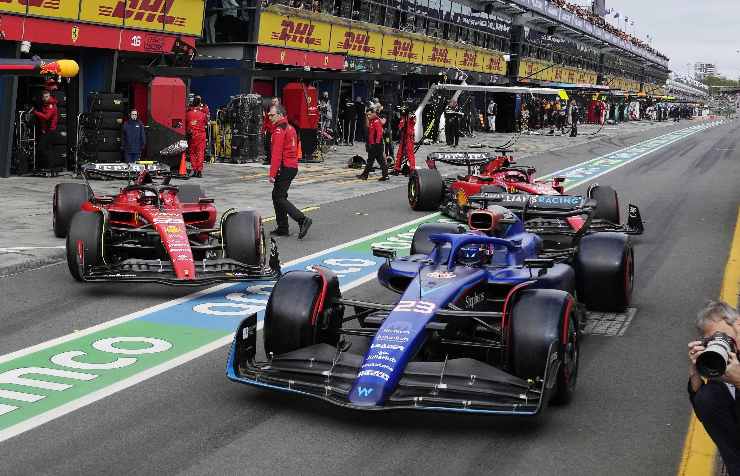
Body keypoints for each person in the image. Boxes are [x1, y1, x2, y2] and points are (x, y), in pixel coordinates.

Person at [688, 301, 740, 475]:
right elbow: (705, 409)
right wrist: (695, 371)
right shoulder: (721, 369)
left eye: (724, 335)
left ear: (738, 324)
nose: (721, 343)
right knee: (707, 397)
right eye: (713, 339)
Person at [268, 105, 312, 238]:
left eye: (272, 115)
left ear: (280, 115)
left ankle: (302, 219)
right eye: (269, 115)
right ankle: (283, 227)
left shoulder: (279, 130)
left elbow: (276, 154)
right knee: (278, 196)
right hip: (291, 166)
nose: (269, 117)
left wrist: (272, 174)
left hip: (285, 167)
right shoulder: (290, 127)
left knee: (278, 196)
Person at [356, 106, 388, 181]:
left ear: (374, 114)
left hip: (376, 144)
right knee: (380, 161)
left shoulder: (376, 121)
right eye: (367, 115)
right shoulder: (372, 121)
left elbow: (379, 133)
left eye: (369, 114)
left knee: (371, 161)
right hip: (374, 144)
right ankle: (385, 175)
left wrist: (375, 144)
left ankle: (365, 175)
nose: (368, 116)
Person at [32, 89, 60, 169]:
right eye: (44, 97)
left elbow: (47, 117)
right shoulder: (46, 104)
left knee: (42, 148)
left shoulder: (51, 105)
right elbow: (44, 119)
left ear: (49, 96)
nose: (46, 98)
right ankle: (51, 166)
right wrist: (43, 128)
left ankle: (51, 165)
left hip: (51, 130)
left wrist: (35, 112)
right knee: (48, 148)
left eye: (47, 96)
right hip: (47, 130)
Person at [186, 97, 208, 177]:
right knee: (200, 152)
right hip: (201, 134)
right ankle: (199, 171)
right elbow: (206, 122)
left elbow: (186, 123)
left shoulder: (188, 113)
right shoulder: (203, 113)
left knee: (192, 153)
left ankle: (195, 170)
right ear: (199, 103)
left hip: (192, 134)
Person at [392, 105, 416, 175]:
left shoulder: (411, 116)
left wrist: (410, 116)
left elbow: (413, 121)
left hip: (409, 137)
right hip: (403, 137)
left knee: (410, 153)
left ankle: (412, 169)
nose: (402, 112)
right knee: (400, 153)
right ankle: (397, 168)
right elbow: (400, 126)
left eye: (403, 111)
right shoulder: (403, 117)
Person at [262, 97, 280, 164]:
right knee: (267, 145)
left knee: (276, 146)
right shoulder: (269, 110)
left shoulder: (280, 110)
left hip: (277, 131)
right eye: (273, 101)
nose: (274, 103)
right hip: (269, 131)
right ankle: (269, 158)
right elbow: (266, 120)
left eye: (275, 101)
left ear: (278, 102)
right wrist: (263, 130)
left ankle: (275, 159)